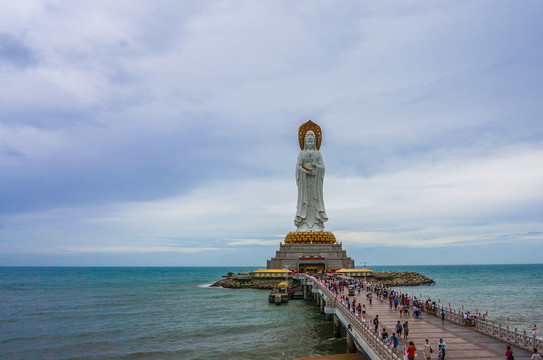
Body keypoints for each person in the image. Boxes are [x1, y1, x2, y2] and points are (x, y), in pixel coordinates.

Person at [295, 129, 328, 231]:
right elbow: (298, 167)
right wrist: (304, 171)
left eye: (311, 141)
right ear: (305, 142)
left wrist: (316, 166)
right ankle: (304, 222)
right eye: (308, 141)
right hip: (305, 182)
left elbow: (323, 168)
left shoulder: (318, 153)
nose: (310, 143)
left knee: (315, 199)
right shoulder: (302, 153)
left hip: (315, 182)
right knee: (305, 200)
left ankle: (316, 222)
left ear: (315, 142)